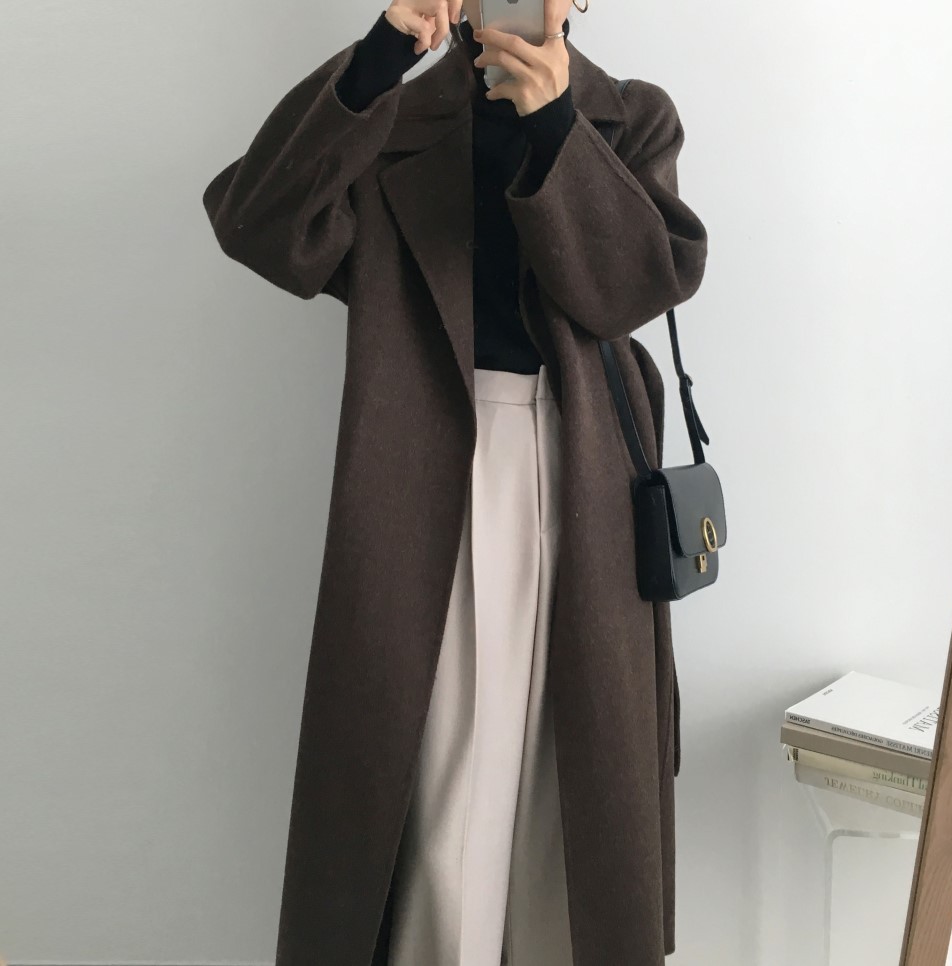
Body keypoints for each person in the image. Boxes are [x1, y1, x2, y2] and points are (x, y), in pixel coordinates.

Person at [202, 2, 708, 963]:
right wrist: (382, 53)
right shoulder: (393, 117)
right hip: (421, 469)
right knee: (439, 784)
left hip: (586, 474)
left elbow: (635, 288)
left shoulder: (630, 117)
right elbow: (258, 223)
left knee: (574, 780)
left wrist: (557, 129)